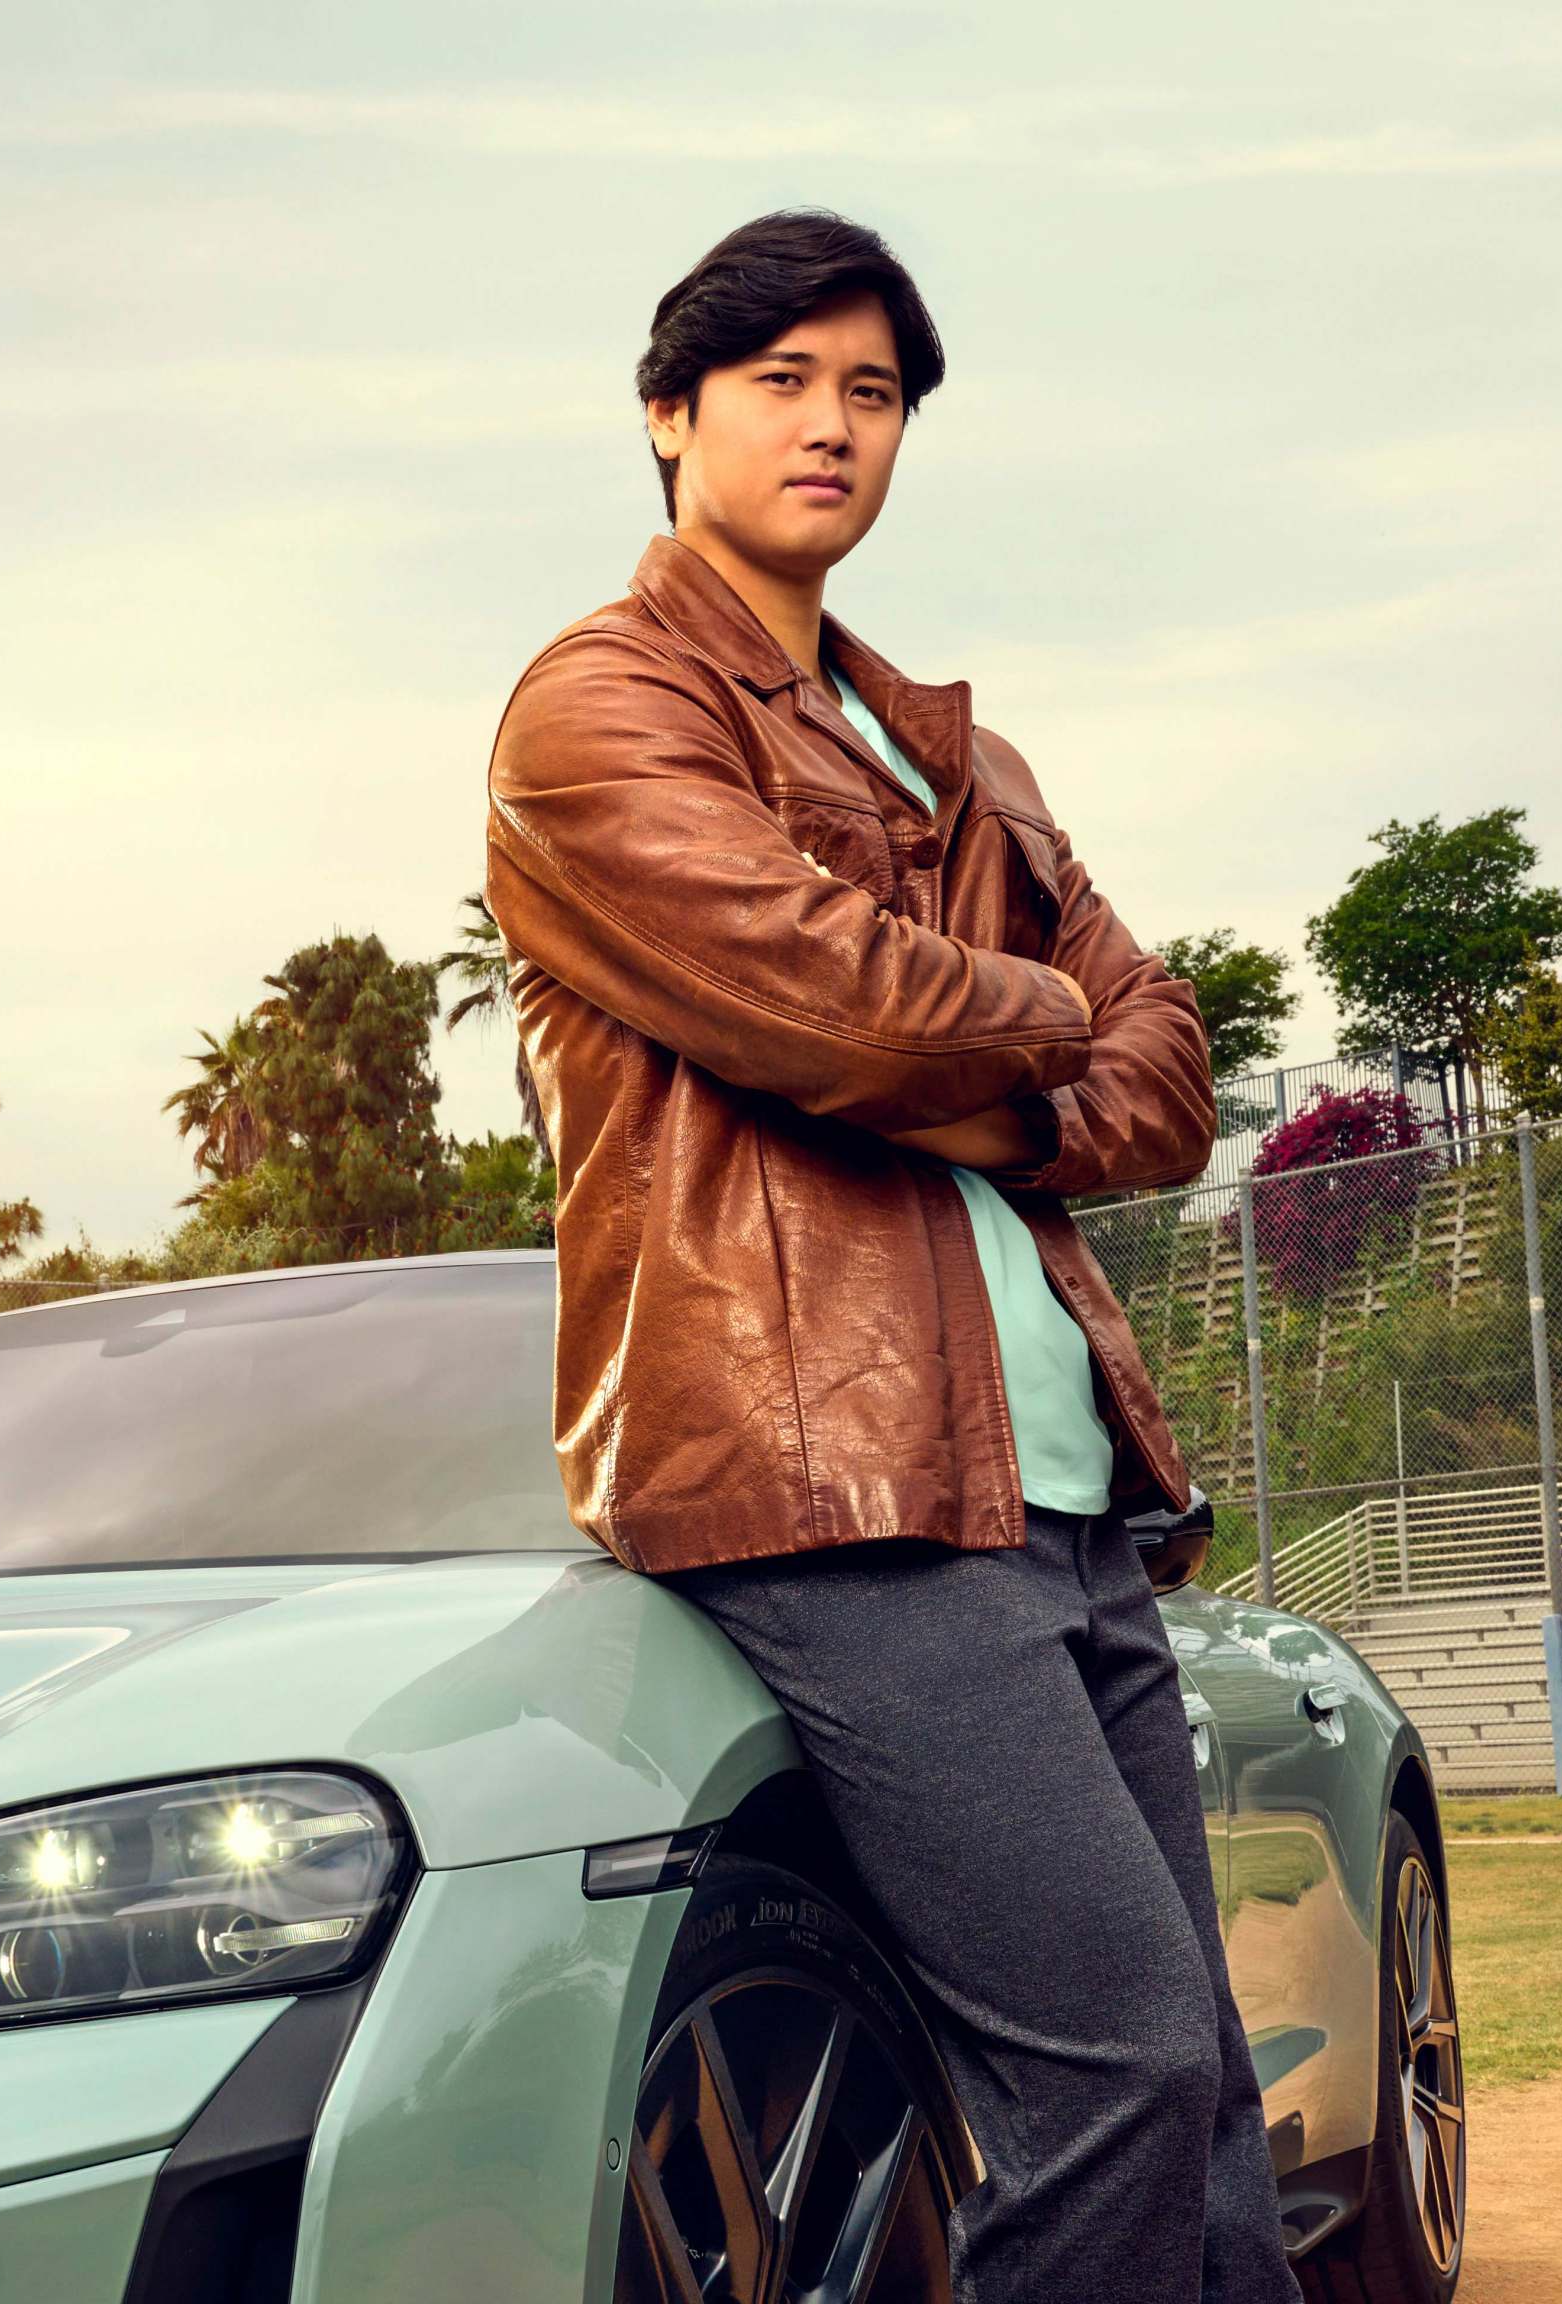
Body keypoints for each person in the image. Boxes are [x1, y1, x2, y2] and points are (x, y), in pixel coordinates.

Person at [481, 209, 1298, 2304]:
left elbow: (1168, 1064)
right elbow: (832, 1011)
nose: (830, 425)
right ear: (666, 418)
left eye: (871, 392)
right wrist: (1022, 1035)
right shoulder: (595, 709)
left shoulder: (957, 757)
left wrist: (966, 1063)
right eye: (778, 381)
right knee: (1103, 2070)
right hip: (832, 1489)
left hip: (1060, 1483)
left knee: (1195, 2077)